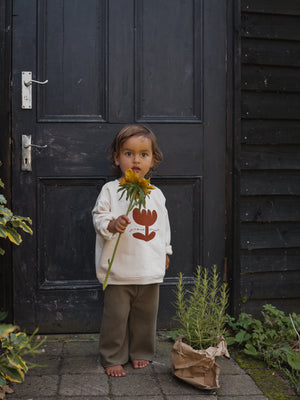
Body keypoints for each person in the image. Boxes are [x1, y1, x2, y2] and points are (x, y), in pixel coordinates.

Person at [92, 124, 172, 377]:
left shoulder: (155, 194)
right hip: (119, 269)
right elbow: (99, 217)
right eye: (128, 153)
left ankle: (142, 351)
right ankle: (112, 355)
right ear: (117, 158)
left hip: (149, 267)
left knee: (146, 316)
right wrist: (112, 224)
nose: (136, 159)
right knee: (116, 318)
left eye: (143, 154)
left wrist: (166, 251)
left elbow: (163, 226)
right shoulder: (111, 190)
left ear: (153, 160)